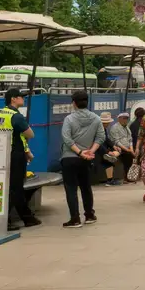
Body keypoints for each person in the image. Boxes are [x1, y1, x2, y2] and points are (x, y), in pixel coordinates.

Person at [0, 88, 40, 230]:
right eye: (21, 96)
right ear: (13, 99)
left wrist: (27, 151)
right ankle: (8, 220)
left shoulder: (1, 114)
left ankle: (27, 217)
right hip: (15, 155)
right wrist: (25, 151)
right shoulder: (16, 116)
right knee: (15, 188)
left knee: (12, 187)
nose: (23, 99)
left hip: (4, 153)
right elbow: (30, 134)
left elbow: (15, 135)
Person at [60, 91, 105, 228]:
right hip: (86, 159)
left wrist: (79, 152)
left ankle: (75, 218)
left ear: (74, 103)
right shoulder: (96, 119)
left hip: (69, 157)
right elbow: (101, 137)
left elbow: (67, 139)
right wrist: (90, 151)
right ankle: (89, 215)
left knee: (71, 188)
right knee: (86, 186)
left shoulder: (69, 119)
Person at [97, 112, 124, 186]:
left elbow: (107, 139)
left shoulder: (103, 129)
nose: (108, 124)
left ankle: (110, 156)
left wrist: (114, 146)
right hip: (98, 149)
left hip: (104, 148)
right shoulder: (99, 130)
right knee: (108, 162)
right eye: (107, 122)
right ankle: (110, 181)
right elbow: (99, 143)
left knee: (111, 159)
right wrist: (107, 152)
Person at [107, 112, 135, 182]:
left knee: (135, 153)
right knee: (127, 155)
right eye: (124, 118)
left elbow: (130, 139)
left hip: (128, 147)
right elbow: (117, 141)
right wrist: (127, 150)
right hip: (118, 148)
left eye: (126, 118)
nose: (125, 120)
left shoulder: (127, 127)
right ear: (119, 119)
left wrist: (131, 148)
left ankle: (130, 175)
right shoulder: (115, 128)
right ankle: (126, 176)